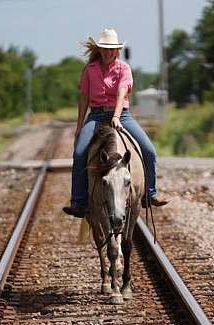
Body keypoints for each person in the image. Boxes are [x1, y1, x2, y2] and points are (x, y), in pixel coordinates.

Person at [63, 28, 168, 218]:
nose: (108, 52)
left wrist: (117, 117)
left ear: (117, 50)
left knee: (149, 150)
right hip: (95, 115)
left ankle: (149, 195)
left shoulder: (124, 69)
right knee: (79, 153)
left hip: (122, 115)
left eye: (112, 49)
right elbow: (84, 98)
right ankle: (79, 201)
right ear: (99, 49)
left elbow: (122, 93)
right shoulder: (89, 70)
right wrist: (79, 126)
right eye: (105, 48)